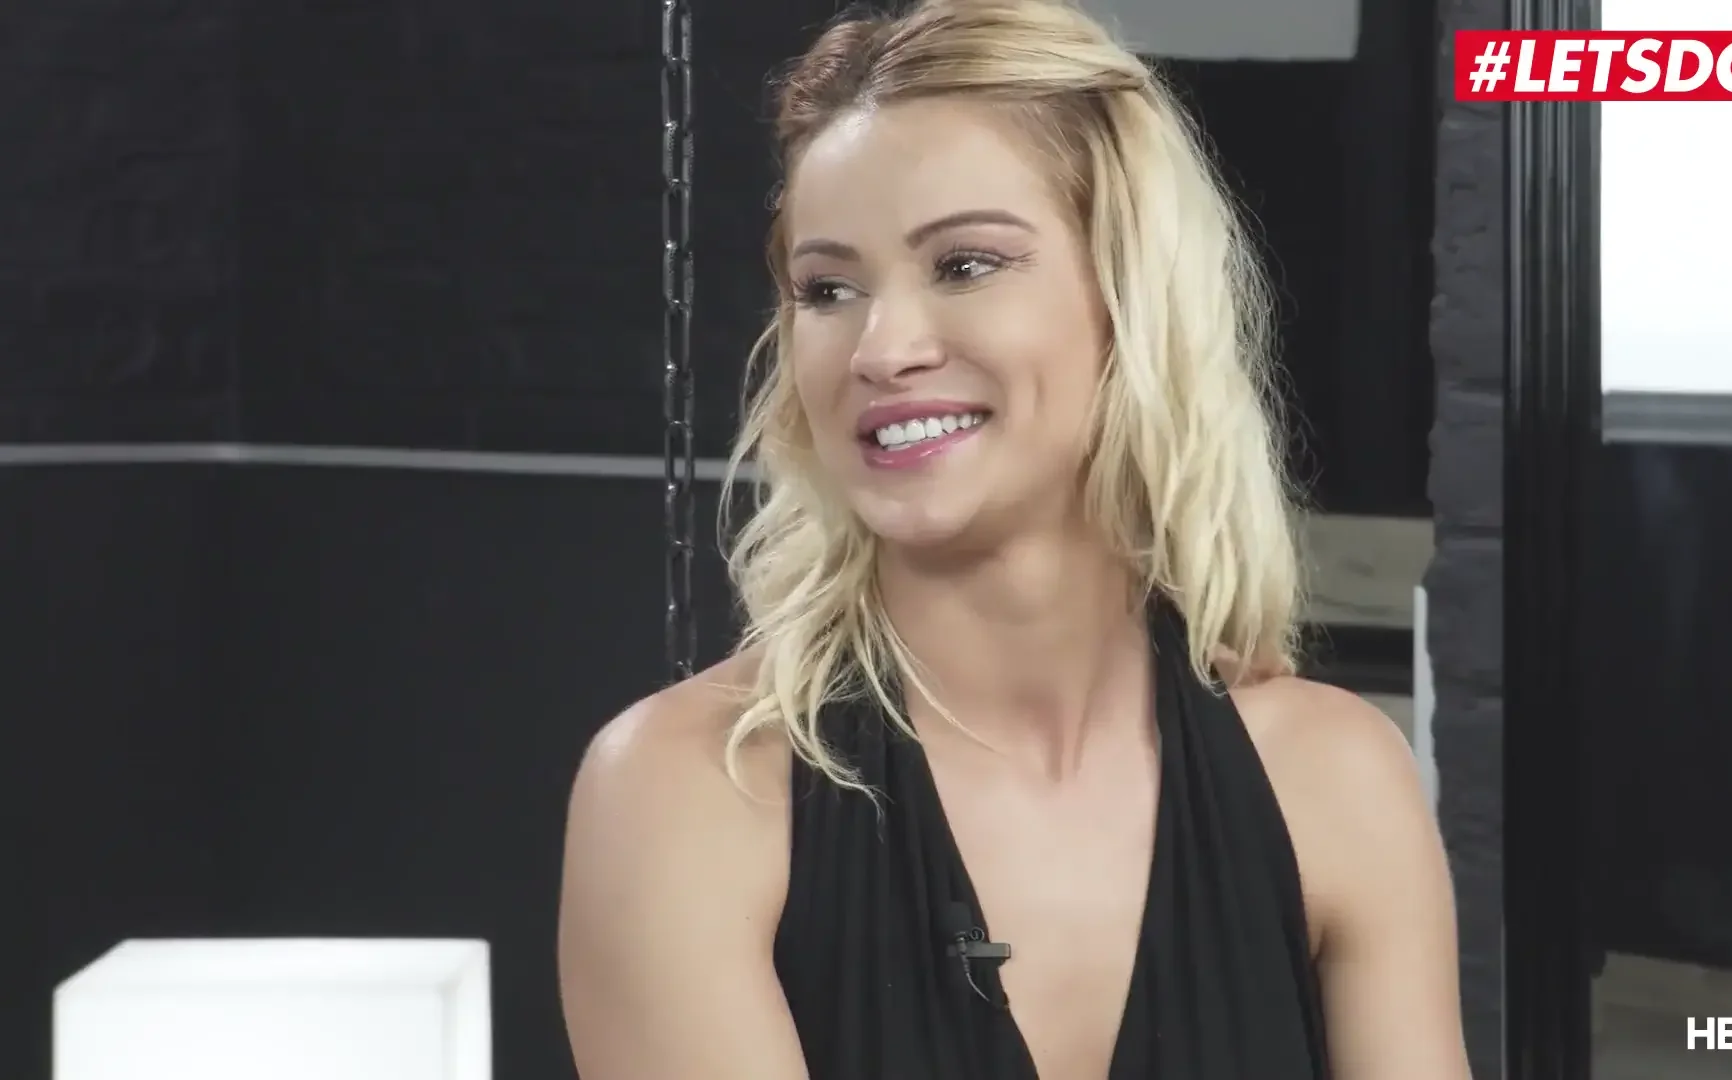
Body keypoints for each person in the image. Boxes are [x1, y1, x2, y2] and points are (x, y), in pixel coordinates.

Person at [557, 1, 1470, 1077]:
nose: (881, 349)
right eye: (828, 289)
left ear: (1128, 295)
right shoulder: (687, 794)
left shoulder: (1336, 780)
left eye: (965, 265)